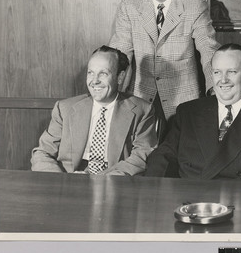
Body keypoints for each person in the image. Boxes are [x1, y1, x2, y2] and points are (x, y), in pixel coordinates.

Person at [145, 43, 241, 182]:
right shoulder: (188, 112)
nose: (223, 80)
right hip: (189, 201)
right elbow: (162, 159)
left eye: (232, 72)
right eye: (217, 72)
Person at [109, 0, 220, 128]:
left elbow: (209, 52)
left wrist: (216, 89)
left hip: (183, 104)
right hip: (140, 100)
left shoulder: (194, 6)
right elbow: (118, 55)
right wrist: (109, 89)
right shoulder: (129, 6)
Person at [31, 46, 157, 175]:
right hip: (69, 181)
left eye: (103, 73)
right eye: (90, 73)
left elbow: (140, 157)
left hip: (114, 182)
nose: (94, 81)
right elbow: (42, 153)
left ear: (120, 77)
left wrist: (98, 180)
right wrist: (65, 180)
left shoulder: (142, 110)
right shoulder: (64, 109)